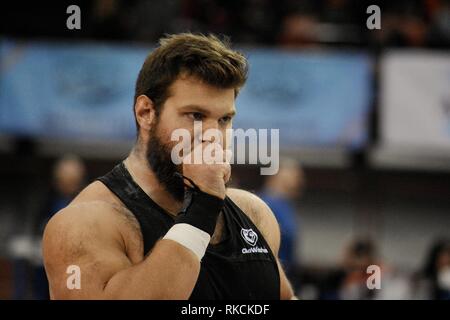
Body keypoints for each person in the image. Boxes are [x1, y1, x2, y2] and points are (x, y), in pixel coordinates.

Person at [42, 33, 296, 300]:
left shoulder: (253, 213)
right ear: (146, 113)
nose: (214, 135)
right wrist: (203, 206)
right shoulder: (82, 225)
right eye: (196, 115)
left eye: (224, 119)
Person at [259, 158, 304, 273]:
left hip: (285, 272)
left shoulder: (287, 205)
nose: (299, 179)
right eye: (293, 173)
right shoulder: (264, 203)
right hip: (268, 271)